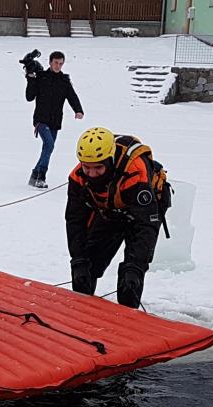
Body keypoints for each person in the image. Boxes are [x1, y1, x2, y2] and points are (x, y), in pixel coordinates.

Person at [65, 127, 166, 309]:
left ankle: (128, 318)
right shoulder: (78, 177)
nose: (92, 174)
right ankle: (81, 313)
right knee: (86, 267)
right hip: (109, 211)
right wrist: (78, 259)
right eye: (86, 167)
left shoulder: (135, 173)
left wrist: (136, 266)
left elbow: (146, 226)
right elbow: (75, 220)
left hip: (142, 214)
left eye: (98, 168)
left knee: (130, 278)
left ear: (110, 160)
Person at [23, 49, 84, 189]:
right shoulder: (41, 77)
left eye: (61, 63)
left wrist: (78, 110)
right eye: (56, 63)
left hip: (55, 121)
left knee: (47, 148)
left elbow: (72, 96)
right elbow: (29, 97)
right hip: (41, 119)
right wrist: (30, 78)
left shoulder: (64, 81)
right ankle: (41, 177)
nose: (58, 66)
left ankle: (34, 176)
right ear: (50, 63)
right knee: (49, 145)